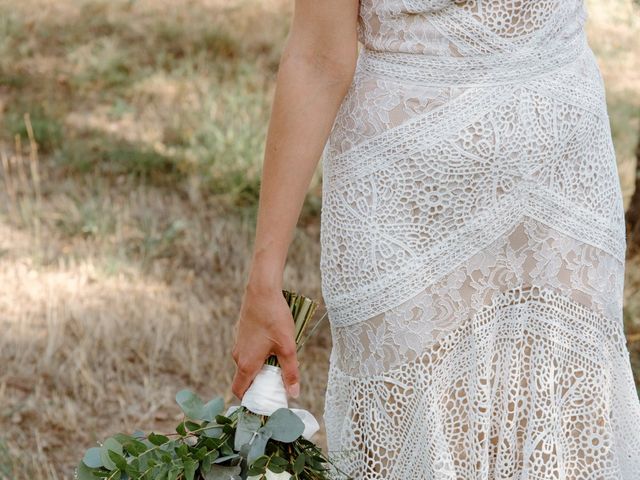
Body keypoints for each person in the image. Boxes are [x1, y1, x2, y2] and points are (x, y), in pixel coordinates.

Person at [232, 1, 640, 478]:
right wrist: (264, 281)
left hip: (563, 182)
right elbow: (318, 58)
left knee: (566, 434)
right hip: (406, 203)